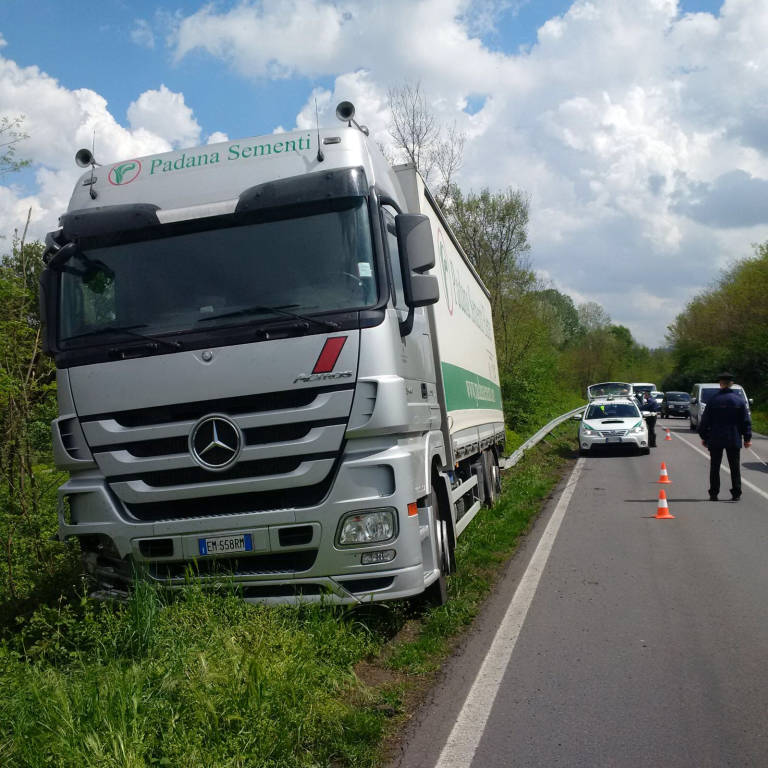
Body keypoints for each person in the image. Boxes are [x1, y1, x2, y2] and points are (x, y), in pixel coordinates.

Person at [698, 372, 752, 501]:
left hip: (715, 438)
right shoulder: (739, 401)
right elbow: (746, 421)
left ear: (720, 383)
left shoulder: (713, 401)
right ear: (731, 383)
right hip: (733, 438)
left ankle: (714, 493)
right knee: (735, 467)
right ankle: (736, 493)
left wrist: (705, 437)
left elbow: (705, 422)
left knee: (715, 467)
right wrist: (747, 438)